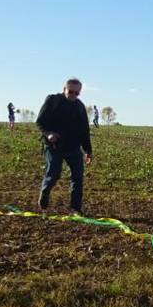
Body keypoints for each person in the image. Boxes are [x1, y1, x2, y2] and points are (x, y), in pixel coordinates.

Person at [36, 78, 93, 214]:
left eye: (77, 93)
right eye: (71, 91)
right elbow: (40, 122)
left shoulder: (80, 107)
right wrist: (49, 134)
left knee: (77, 177)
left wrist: (88, 150)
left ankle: (75, 208)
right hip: (53, 146)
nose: (73, 95)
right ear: (64, 89)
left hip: (73, 147)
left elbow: (85, 130)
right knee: (54, 174)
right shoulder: (52, 100)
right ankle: (45, 192)